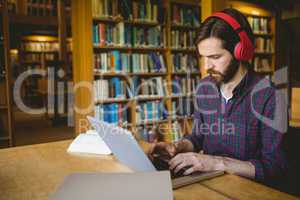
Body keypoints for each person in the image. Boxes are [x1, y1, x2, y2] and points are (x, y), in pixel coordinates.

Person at [148, 8, 287, 182]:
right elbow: (198, 137)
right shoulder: (204, 87)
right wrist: (179, 146)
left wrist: (217, 163)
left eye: (215, 57)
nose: (207, 66)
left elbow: (275, 167)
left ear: (240, 52)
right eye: (203, 57)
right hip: (209, 185)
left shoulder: (270, 96)